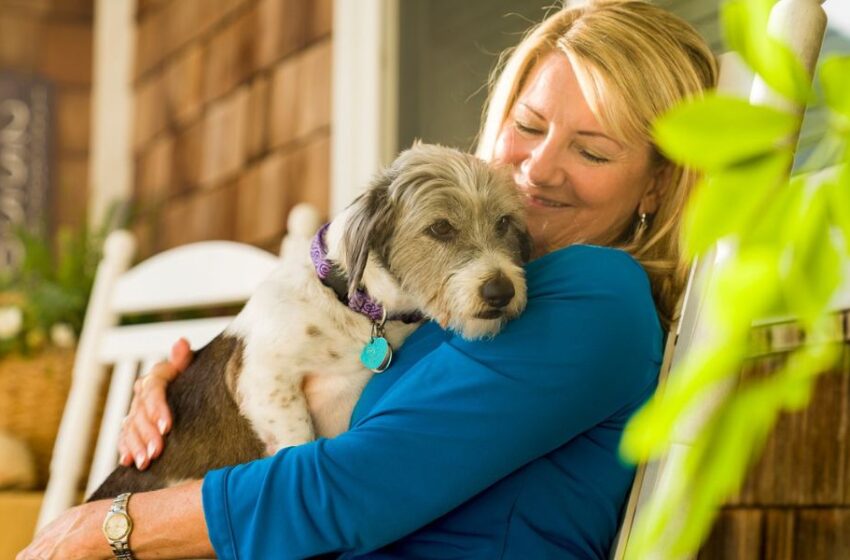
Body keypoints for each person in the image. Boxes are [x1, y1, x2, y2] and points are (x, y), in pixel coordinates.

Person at [19, 1, 717, 558]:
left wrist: (113, 527)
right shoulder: (456, 302)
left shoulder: (596, 295)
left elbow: (353, 490)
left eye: (592, 149)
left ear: (658, 182)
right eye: (528, 124)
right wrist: (192, 390)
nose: (538, 169)